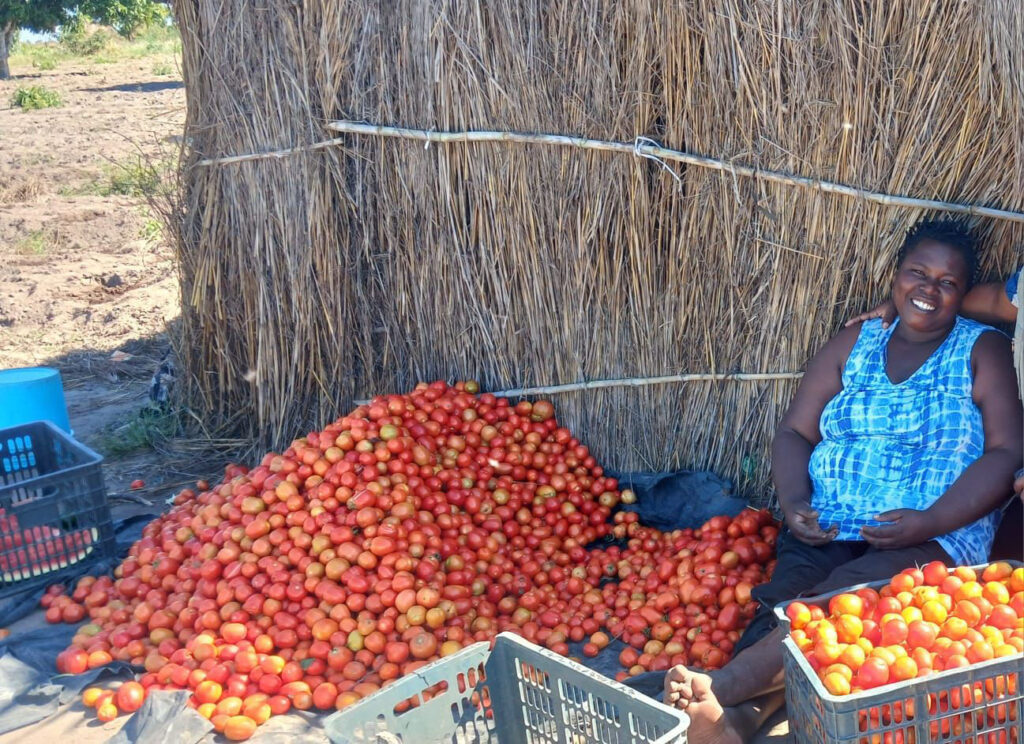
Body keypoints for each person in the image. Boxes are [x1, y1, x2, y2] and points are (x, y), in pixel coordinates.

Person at [663, 220, 1023, 744]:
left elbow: (1006, 450)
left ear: (965, 292)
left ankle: (721, 690)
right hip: (828, 525)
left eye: (948, 282)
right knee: (783, 602)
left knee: (841, 602)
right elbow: (794, 431)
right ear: (895, 276)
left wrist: (931, 519)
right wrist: (794, 503)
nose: (929, 290)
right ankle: (733, 723)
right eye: (918, 273)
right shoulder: (856, 339)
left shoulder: (981, 349)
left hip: (933, 536)